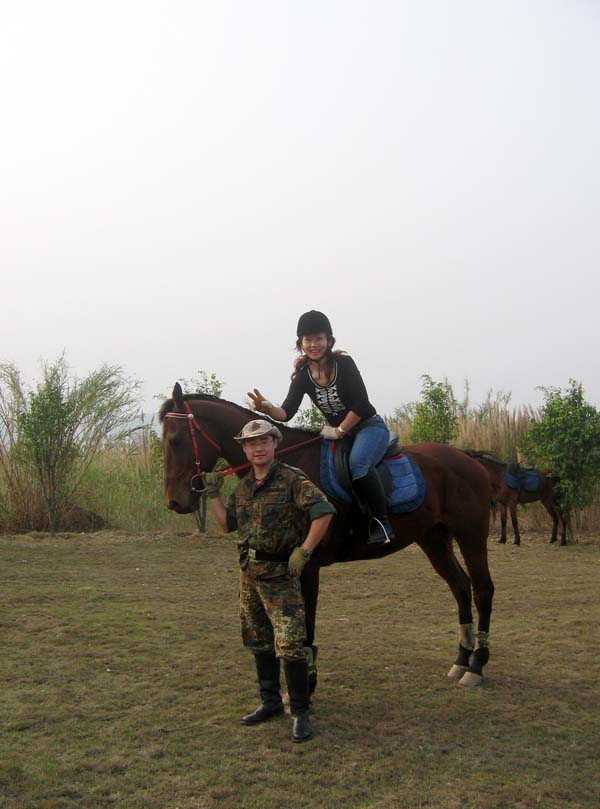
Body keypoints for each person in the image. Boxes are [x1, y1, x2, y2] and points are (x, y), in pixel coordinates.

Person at [203, 418, 335, 743]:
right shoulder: (245, 486)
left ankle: (301, 712)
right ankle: (270, 702)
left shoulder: (292, 479)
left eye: (264, 441)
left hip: (281, 575)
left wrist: (304, 551)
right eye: (251, 443)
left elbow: (324, 511)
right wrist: (214, 496)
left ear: (275, 444)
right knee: (259, 640)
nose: (258, 448)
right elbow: (226, 525)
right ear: (245, 450)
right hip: (249, 575)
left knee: (290, 644)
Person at [248, 309, 395, 546]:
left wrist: (339, 431)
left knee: (358, 464)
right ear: (301, 344)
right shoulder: (303, 376)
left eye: (318, 338)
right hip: (338, 433)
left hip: (368, 427)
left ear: (328, 340)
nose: (313, 344)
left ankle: (382, 522)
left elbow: (361, 403)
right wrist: (268, 408)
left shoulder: (344, 364)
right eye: (308, 340)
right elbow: (286, 413)